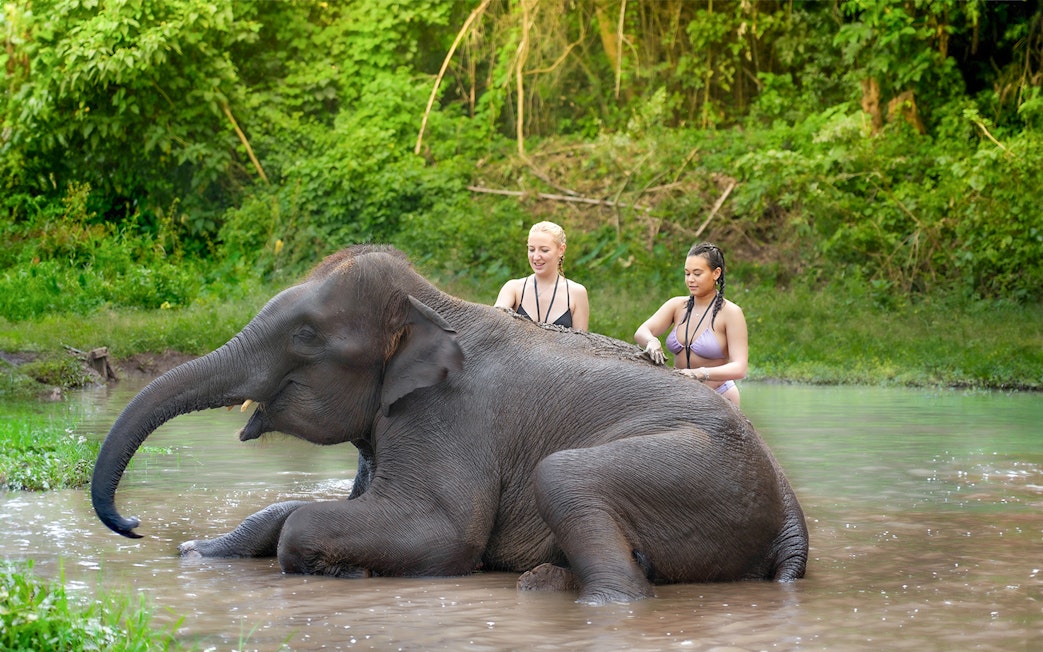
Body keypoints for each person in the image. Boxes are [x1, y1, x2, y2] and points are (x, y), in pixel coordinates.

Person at [634, 242, 748, 406]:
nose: (690, 280)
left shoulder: (731, 313)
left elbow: (740, 368)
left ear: (716, 273)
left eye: (697, 273)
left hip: (719, 395)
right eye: (687, 274)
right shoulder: (676, 305)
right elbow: (642, 331)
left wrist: (699, 373)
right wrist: (651, 341)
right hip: (680, 394)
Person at [494, 221, 589, 331]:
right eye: (531, 249)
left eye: (544, 250)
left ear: (561, 250)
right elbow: (493, 327)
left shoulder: (576, 293)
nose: (536, 257)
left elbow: (581, 345)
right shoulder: (513, 289)